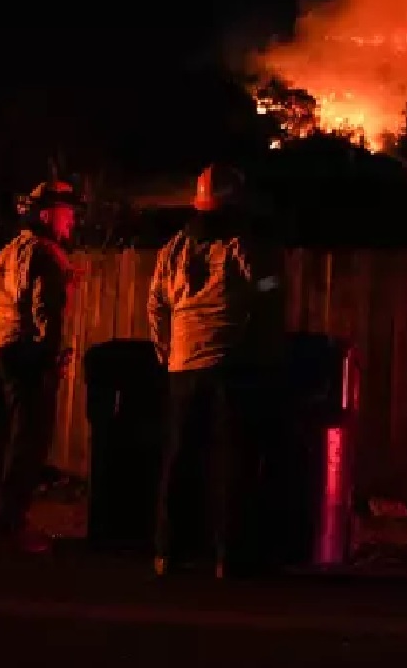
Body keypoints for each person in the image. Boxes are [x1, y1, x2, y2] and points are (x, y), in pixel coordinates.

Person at [147, 164, 284, 578]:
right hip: (231, 363)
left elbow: (156, 304)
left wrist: (168, 352)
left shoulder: (173, 248)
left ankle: (167, 552)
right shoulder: (247, 245)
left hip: (182, 366)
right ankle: (228, 555)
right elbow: (268, 299)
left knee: (179, 458)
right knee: (231, 461)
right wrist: (265, 352)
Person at [0, 179, 82, 554]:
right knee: (29, 442)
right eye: (66, 213)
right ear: (46, 215)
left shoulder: (6, 253)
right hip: (26, 351)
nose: (71, 221)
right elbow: (46, 312)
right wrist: (50, 356)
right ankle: (8, 526)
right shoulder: (45, 254)